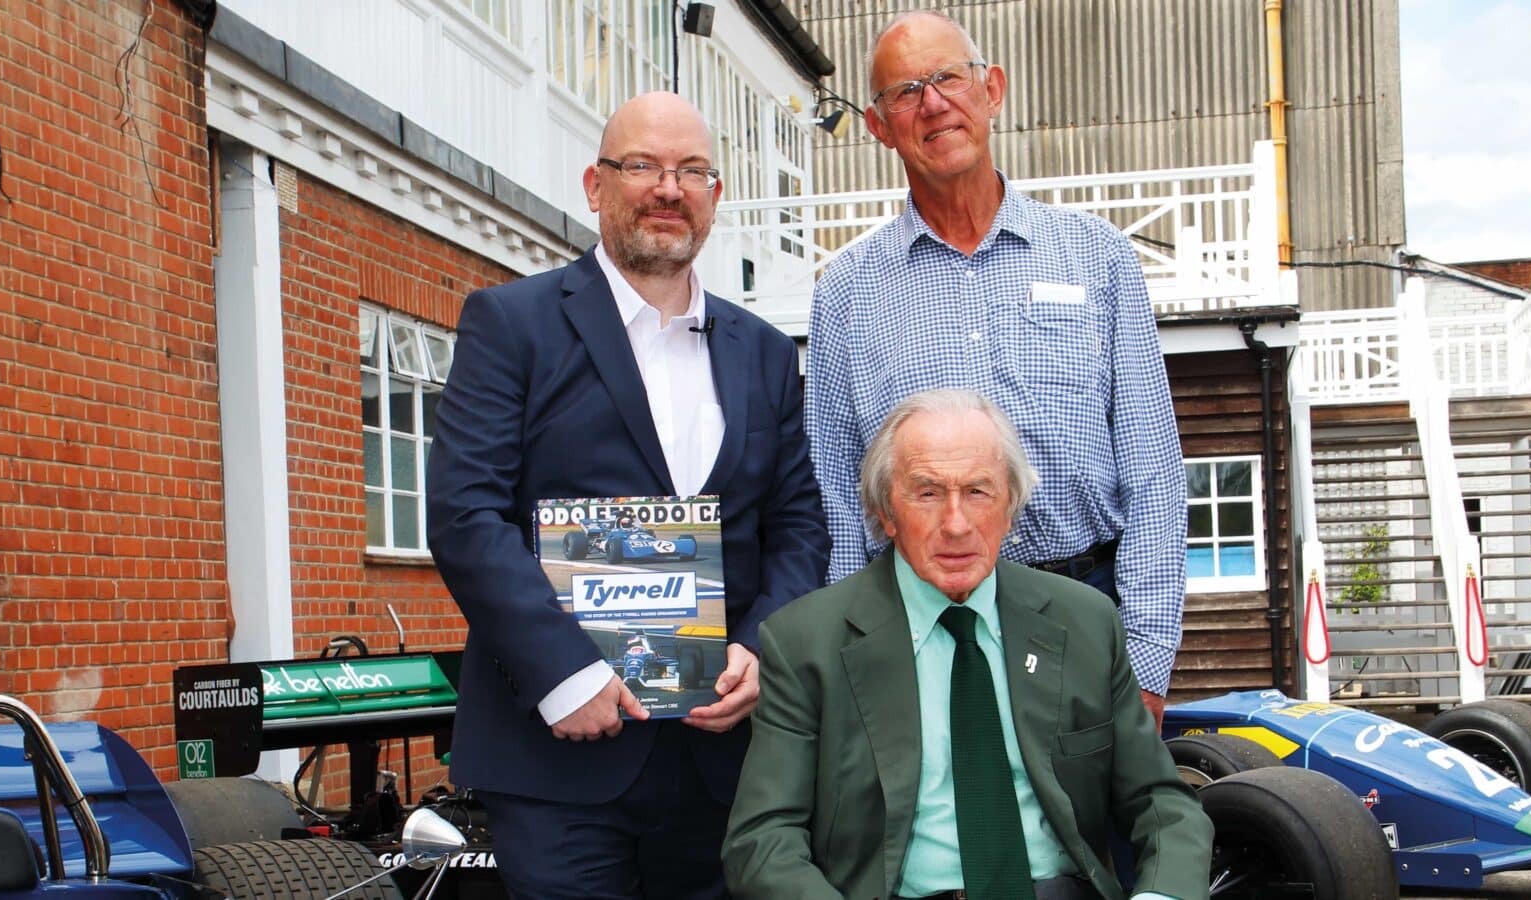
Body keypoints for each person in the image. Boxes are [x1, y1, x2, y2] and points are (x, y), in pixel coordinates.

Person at [427, 91, 829, 899]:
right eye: (642, 165)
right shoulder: (512, 323)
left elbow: (796, 528)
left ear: (714, 195)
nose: (667, 188)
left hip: (723, 759)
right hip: (559, 757)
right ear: (595, 184)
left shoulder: (763, 352)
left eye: (692, 171)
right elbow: (466, 515)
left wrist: (758, 647)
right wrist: (565, 675)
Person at [804, 9, 1187, 727]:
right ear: (880, 126)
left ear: (993, 90)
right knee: (944, 837)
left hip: (1086, 613)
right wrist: (859, 665)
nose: (934, 104)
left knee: (1089, 840)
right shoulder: (846, 291)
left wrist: (1144, 661)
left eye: (948, 78)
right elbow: (836, 494)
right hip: (919, 629)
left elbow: (1156, 473)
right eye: (905, 92)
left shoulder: (1098, 259)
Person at [723, 390, 1211, 900]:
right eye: (927, 493)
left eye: (978, 492)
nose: (956, 524)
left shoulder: (1085, 622)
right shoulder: (805, 643)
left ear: (1010, 506)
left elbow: (1162, 803)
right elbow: (762, 841)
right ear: (886, 512)